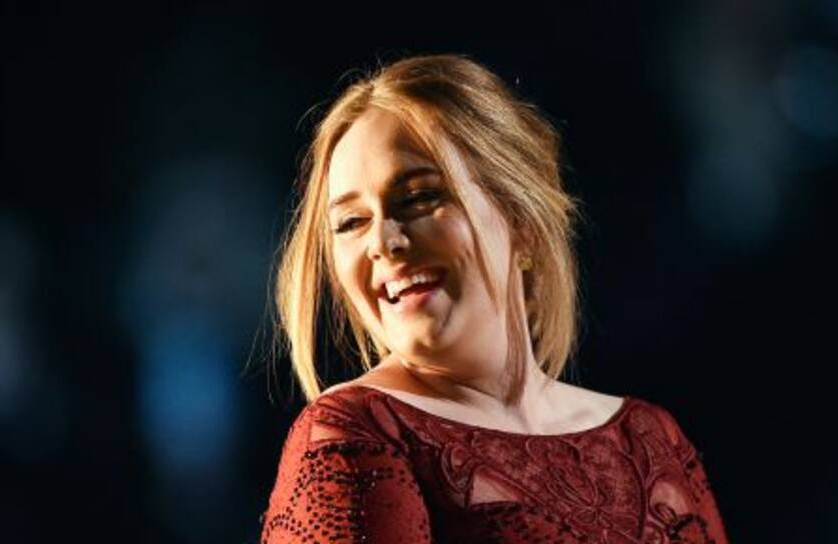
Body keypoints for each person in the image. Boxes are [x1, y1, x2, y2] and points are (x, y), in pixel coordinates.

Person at [260, 54, 729, 543]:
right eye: (351, 222)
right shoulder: (354, 436)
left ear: (521, 220)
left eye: (419, 198)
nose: (382, 241)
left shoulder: (651, 439)